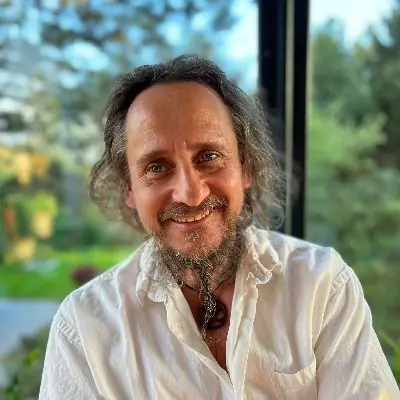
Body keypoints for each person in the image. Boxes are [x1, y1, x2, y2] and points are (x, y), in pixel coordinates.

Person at [39, 55, 400, 400]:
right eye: (157, 167)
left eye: (208, 157)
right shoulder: (84, 328)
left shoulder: (321, 284)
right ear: (129, 190)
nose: (191, 194)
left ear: (245, 168)